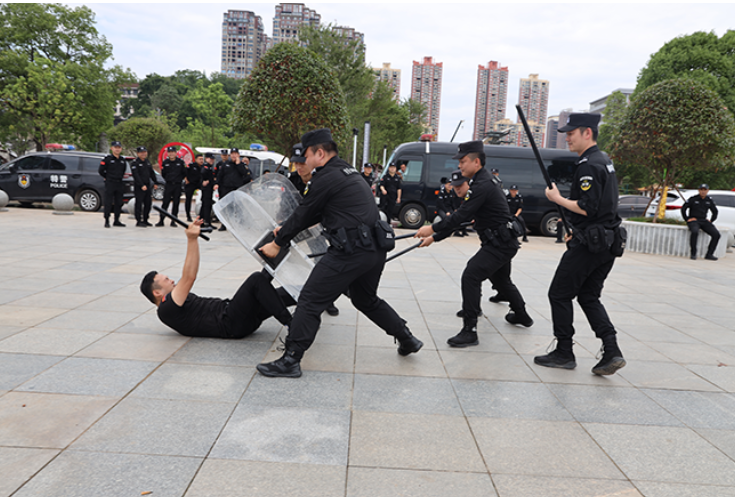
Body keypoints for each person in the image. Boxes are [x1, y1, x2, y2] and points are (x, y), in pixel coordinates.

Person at [256, 128, 423, 378]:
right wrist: (289, 228)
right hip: (373, 249)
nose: (305, 162)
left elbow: (304, 213)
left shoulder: (325, 178)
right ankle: (406, 338)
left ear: (320, 153)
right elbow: (326, 212)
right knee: (365, 299)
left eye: (307, 156)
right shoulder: (348, 171)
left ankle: (291, 359)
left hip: (351, 251)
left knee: (310, 299)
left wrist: (278, 240)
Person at [416, 142, 533, 348]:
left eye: (463, 161)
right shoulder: (482, 182)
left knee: (471, 275)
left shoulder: (482, 185)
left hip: (500, 244)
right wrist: (434, 238)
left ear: (476, 162)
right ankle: (521, 315)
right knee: (502, 280)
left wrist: (432, 229)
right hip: (501, 242)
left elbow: (461, 215)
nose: (460, 166)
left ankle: (469, 330)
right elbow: (463, 220)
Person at [535, 112, 626, 376]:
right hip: (606, 241)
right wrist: (575, 229)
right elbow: (602, 209)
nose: (567, 139)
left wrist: (557, 198)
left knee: (559, 293)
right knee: (588, 295)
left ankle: (564, 352)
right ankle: (611, 349)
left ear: (587, 132)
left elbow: (588, 207)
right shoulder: (604, 160)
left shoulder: (588, 165)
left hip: (591, 244)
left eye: (571, 134)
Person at [140, 218, 295, 338]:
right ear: (157, 293)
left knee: (281, 291)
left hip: (239, 317)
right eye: (166, 280)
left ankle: (284, 241)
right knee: (256, 280)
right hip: (231, 323)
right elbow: (189, 277)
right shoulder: (166, 309)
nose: (172, 280)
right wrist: (192, 239)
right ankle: (292, 325)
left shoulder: (173, 304)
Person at [288, 143, 340, 318]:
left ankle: (327, 300)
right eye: (296, 163)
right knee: (276, 252)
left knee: (322, 261)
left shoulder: (321, 179)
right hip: (293, 226)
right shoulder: (292, 179)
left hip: (315, 229)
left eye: (302, 163)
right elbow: (284, 203)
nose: (299, 167)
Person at [215, 148, 252, 231]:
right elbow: (220, 175)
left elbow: (246, 175)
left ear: (238, 155)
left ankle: (237, 225)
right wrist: (217, 183)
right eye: (232, 154)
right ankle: (223, 225)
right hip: (225, 189)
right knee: (225, 208)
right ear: (230, 155)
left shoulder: (242, 165)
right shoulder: (226, 164)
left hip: (236, 189)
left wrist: (238, 164)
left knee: (237, 207)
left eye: (235, 154)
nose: (234, 155)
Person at [682, 184, 720, 261]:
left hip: (703, 220)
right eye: (701, 190)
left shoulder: (709, 200)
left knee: (716, 235)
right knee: (695, 232)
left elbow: (715, 211)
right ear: (699, 190)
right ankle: (693, 253)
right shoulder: (693, 199)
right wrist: (687, 219)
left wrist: (711, 220)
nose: (703, 191)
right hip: (694, 220)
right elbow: (683, 208)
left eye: (705, 190)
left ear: (707, 191)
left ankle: (709, 254)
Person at [98, 140, 127, 228]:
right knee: (108, 202)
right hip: (110, 183)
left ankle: (117, 220)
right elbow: (101, 170)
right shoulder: (107, 159)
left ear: (121, 149)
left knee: (119, 202)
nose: (117, 149)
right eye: (115, 148)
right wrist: (107, 177)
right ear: (112, 148)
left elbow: (123, 170)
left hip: (119, 183)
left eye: (119, 148)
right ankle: (107, 220)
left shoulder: (122, 160)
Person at [156, 146, 186, 227]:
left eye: (173, 152)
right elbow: (164, 174)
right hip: (169, 185)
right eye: (170, 152)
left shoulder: (180, 162)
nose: (171, 153)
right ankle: (161, 220)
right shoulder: (165, 162)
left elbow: (183, 173)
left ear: (176, 153)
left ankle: (173, 221)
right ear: (168, 153)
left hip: (177, 185)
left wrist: (178, 179)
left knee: (176, 204)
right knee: (165, 203)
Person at [130, 146, 155, 227]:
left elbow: (151, 173)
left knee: (148, 203)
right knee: (139, 204)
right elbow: (136, 175)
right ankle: (138, 220)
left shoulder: (147, 162)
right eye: (141, 152)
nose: (143, 153)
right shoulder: (135, 163)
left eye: (145, 152)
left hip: (147, 186)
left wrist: (155, 182)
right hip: (139, 186)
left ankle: (145, 219)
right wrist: (141, 185)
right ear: (138, 153)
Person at [200, 153, 217, 229]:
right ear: (206, 159)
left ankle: (202, 222)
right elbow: (203, 173)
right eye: (210, 159)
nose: (212, 160)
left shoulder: (210, 167)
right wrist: (205, 180)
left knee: (205, 205)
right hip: (206, 189)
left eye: (213, 159)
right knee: (206, 206)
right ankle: (207, 222)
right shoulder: (206, 167)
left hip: (209, 189)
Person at [184, 154, 203, 222]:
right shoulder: (191, 165)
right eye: (200, 159)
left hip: (198, 184)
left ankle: (201, 215)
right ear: (196, 159)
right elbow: (185, 172)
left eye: (202, 159)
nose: (201, 161)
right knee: (188, 200)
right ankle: (188, 216)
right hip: (190, 184)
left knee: (203, 199)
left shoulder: (203, 167)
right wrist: (186, 179)